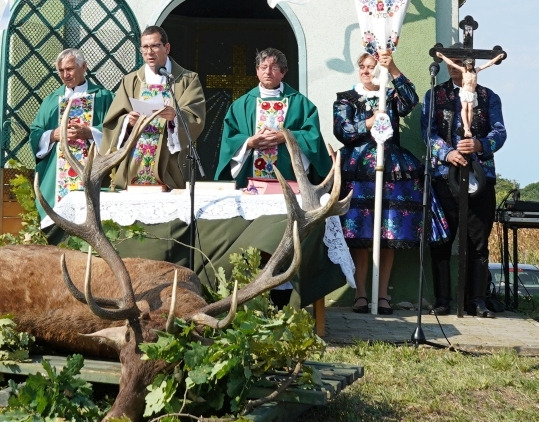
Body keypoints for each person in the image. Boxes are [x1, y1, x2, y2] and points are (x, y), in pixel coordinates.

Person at [332, 49, 425, 316]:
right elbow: (342, 131)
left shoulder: (391, 96)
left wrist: (393, 69)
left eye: (371, 66)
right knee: (361, 234)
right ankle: (361, 293)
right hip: (359, 171)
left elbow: (411, 101)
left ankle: (382, 294)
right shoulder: (346, 98)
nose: (366, 70)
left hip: (391, 170)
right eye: (362, 66)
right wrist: (369, 122)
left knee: (387, 235)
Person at [427, 48, 507, 316]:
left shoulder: (488, 97)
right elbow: (428, 131)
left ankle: (477, 300)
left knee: (478, 241)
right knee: (441, 241)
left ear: (470, 65)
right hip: (444, 176)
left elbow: (500, 132)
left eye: (460, 62)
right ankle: (442, 300)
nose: (454, 66)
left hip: (480, 177)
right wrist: (446, 152)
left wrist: (480, 144)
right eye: (452, 62)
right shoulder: (435, 96)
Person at [99, 26, 206, 191]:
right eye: (145, 47)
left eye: (155, 46)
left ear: (167, 48)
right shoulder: (130, 80)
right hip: (134, 162)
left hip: (168, 163)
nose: (149, 52)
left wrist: (175, 117)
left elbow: (195, 117)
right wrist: (128, 121)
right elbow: (113, 121)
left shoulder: (187, 79)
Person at [218, 48, 328, 190]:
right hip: (250, 179)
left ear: (283, 72)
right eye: (263, 67)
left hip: (289, 177)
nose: (268, 72)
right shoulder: (241, 105)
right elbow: (229, 139)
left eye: (274, 68)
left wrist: (286, 137)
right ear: (257, 71)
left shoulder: (301, 104)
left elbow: (312, 136)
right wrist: (248, 142)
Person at [32, 49, 113, 205]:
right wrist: (52, 135)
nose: (65, 75)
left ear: (84, 67)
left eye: (69, 69)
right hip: (57, 176)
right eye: (61, 70)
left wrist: (90, 132)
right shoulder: (51, 101)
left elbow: (116, 129)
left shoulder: (104, 97)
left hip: (93, 168)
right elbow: (35, 132)